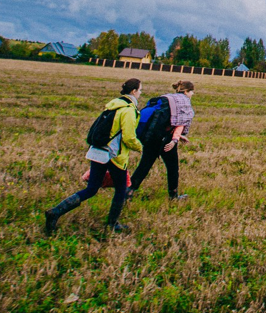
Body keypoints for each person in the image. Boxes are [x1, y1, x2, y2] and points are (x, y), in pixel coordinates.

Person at [44, 79, 143, 235]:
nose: (140, 93)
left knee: (91, 189)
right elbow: (129, 137)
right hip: (114, 155)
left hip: (98, 150)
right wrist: (140, 147)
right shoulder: (128, 110)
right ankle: (112, 224)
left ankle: (55, 212)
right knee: (121, 189)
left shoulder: (113, 105)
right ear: (133, 92)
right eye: (139, 90)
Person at [129, 79, 194, 202]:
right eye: (191, 91)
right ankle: (173, 196)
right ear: (186, 91)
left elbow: (166, 120)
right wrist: (175, 139)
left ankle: (129, 191)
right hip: (166, 139)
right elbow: (180, 123)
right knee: (173, 167)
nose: (192, 94)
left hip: (151, 135)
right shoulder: (184, 101)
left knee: (144, 165)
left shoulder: (169, 98)